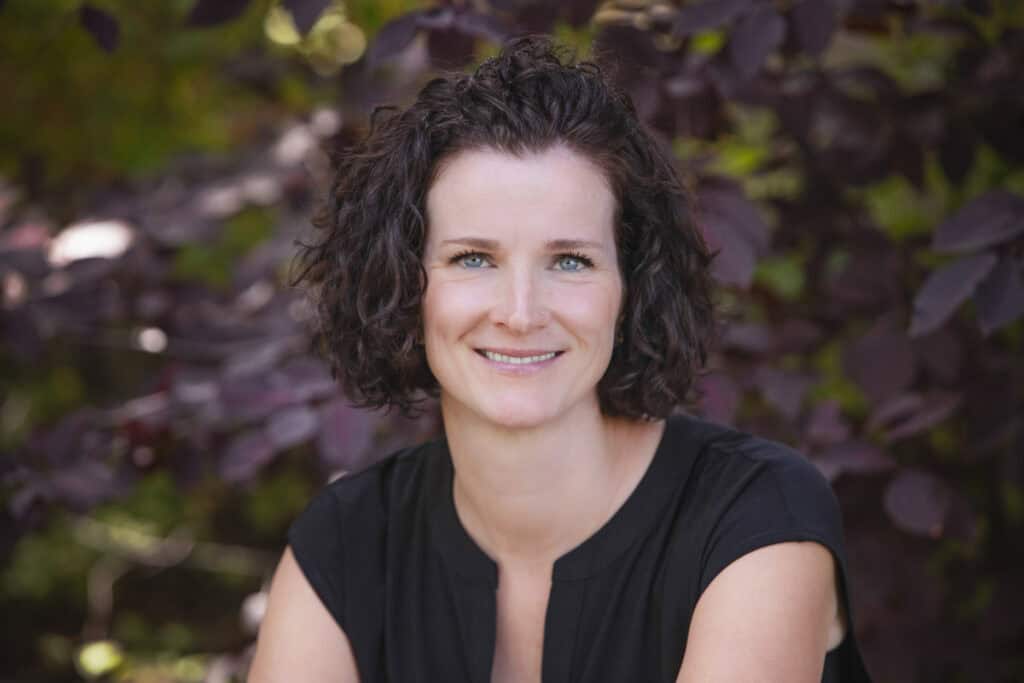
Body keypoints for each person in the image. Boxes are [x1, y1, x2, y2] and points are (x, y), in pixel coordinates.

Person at [248, 36, 872, 683]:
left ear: (631, 287)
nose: (520, 313)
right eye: (473, 258)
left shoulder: (758, 518)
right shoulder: (346, 543)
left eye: (570, 260)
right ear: (405, 286)